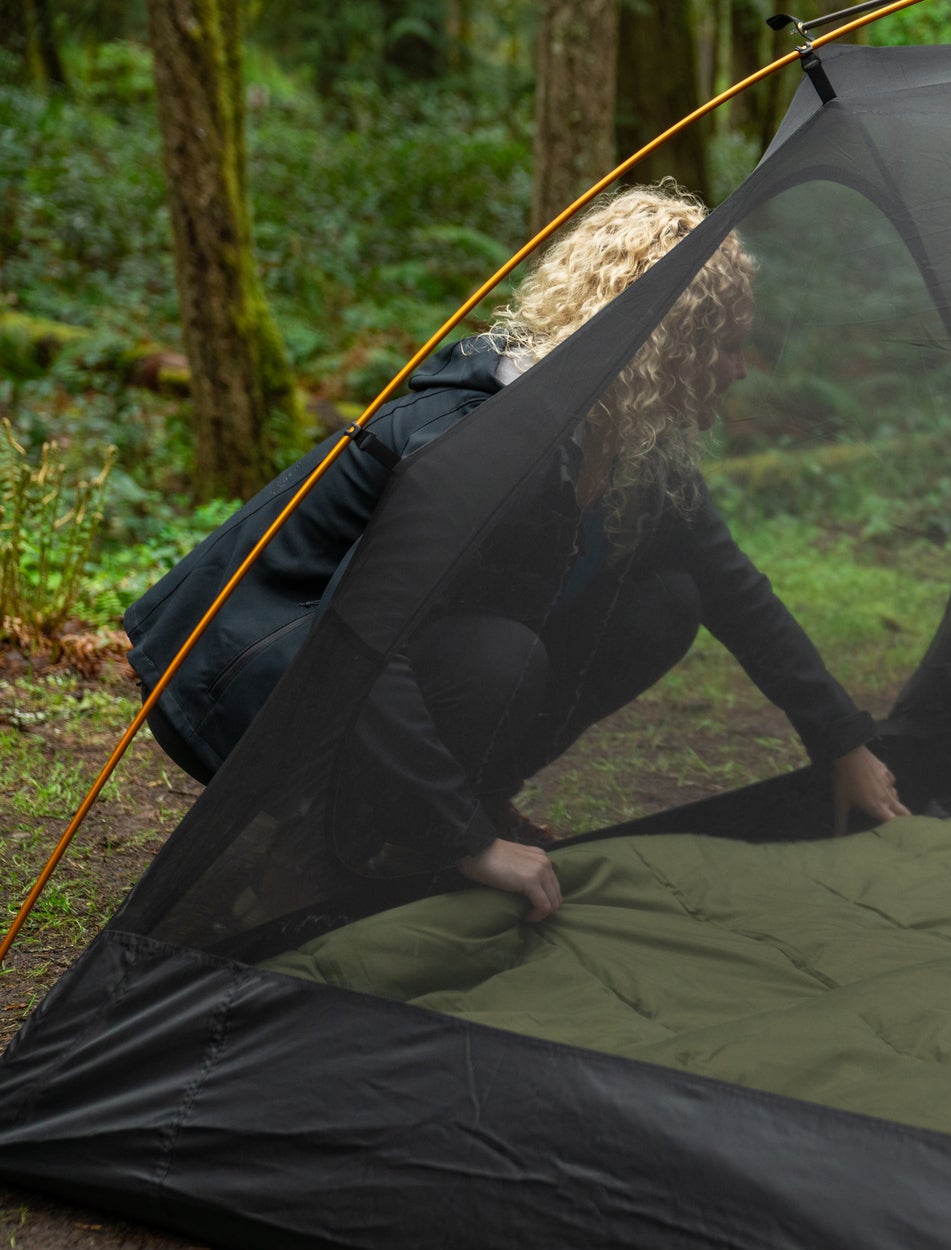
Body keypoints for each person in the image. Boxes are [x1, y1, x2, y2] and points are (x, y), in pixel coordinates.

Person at [127, 185, 910, 924]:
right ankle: (315, 854)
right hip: (258, 676)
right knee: (502, 656)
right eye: (728, 349)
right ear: (667, 345)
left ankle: (454, 807)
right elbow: (364, 640)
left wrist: (840, 740)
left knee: (666, 602)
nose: (740, 371)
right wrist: (467, 844)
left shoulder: (622, 437)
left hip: (381, 661)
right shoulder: (491, 444)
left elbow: (733, 586)